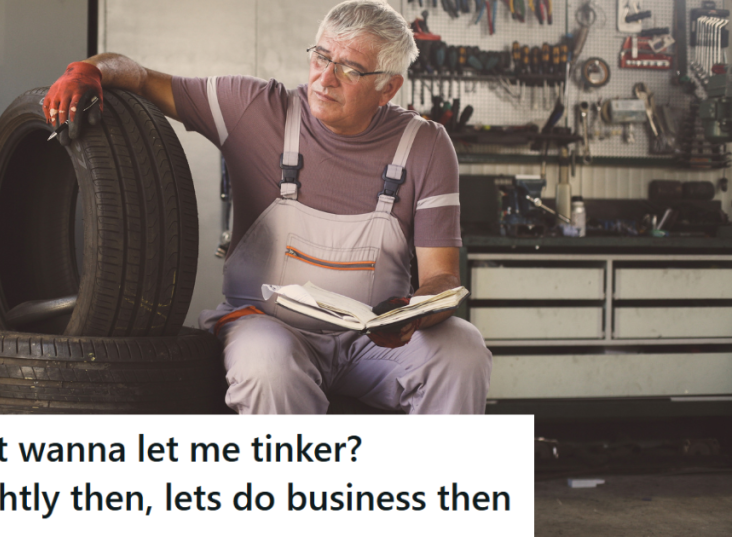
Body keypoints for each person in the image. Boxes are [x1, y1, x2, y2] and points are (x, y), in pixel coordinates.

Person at [42, 0, 491, 415]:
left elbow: (441, 277)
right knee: (268, 366)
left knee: (462, 350)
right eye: (321, 56)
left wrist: (417, 312)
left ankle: (432, 491)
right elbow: (137, 75)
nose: (324, 78)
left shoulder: (427, 145)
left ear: (388, 88)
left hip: (374, 344)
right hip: (268, 326)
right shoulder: (253, 108)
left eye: (350, 70)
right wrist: (85, 71)